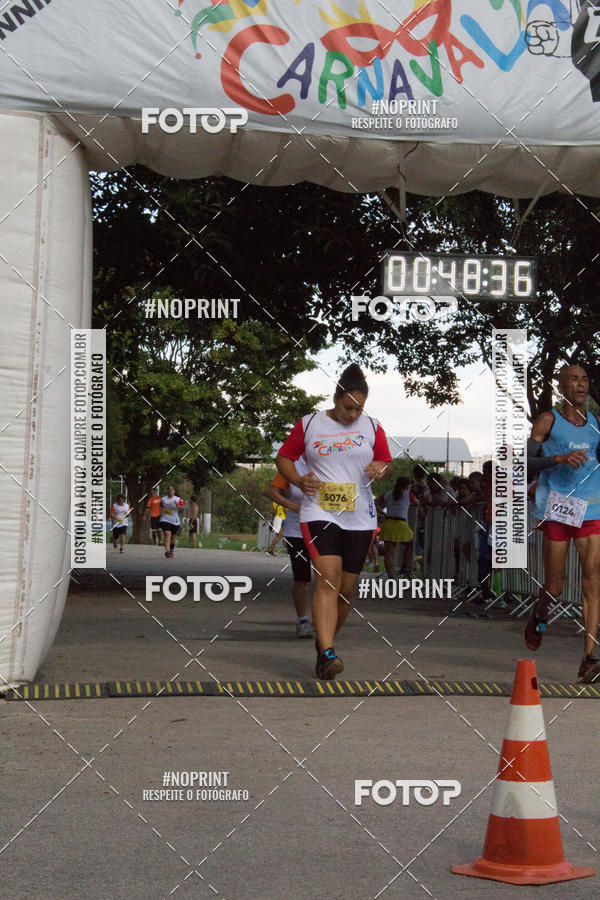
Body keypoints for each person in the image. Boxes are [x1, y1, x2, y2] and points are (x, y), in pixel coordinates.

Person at [276, 364, 392, 679]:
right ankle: (328, 653)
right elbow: (283, 458)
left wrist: (379, 468)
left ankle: (324, 644)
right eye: (347, 407)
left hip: (359, 517)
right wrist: (299, 481)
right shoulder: (310, 423)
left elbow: (386, 461)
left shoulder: (371, 426)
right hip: (319, 511)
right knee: (328, 577)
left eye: (359, 408)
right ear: (335, 397)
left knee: (347, 590)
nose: (353, 414)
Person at [525, 365, 600, 683]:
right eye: (574, 379)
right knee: (555, 585)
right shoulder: (548, 420)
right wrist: (556, 459)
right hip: (557, 509)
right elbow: (526, 462)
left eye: (585, 380)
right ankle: (541, 611)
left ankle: (589, 658)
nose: (581, 385)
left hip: (591, 509)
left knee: (592, 582)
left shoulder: (596, 423)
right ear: (561, 386)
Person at [267, 456, 314, 637]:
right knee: (302, 580)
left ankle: (322, 619)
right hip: (297, 532)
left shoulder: (331, 460)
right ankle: (302, 620)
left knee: (327, 579)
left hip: (326, 530)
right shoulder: (292, 466)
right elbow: (272, 491)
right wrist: (293, 506)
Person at [375, 476, 418, 578]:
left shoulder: (388, 494)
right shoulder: (408, 494)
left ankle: (391, 575)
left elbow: (375, 503)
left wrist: (382, 514)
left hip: (389, 522)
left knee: (389, 552)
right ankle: (406, 566)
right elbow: (417, 503)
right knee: (410, 544)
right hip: (401, 524)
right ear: (408, 486)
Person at [160, 485, 184, 558]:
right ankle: (167, 551)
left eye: (171, 489)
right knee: (167, 534)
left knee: (173, 537)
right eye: (169, 489)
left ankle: (171, 550)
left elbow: (182, 508)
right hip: (165, 519)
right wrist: (160, 513)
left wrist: (177, 506)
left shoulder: (178, 499)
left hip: (174, 521)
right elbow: (160, 507)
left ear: (174, 491)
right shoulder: (163, 499)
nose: (170, 491)